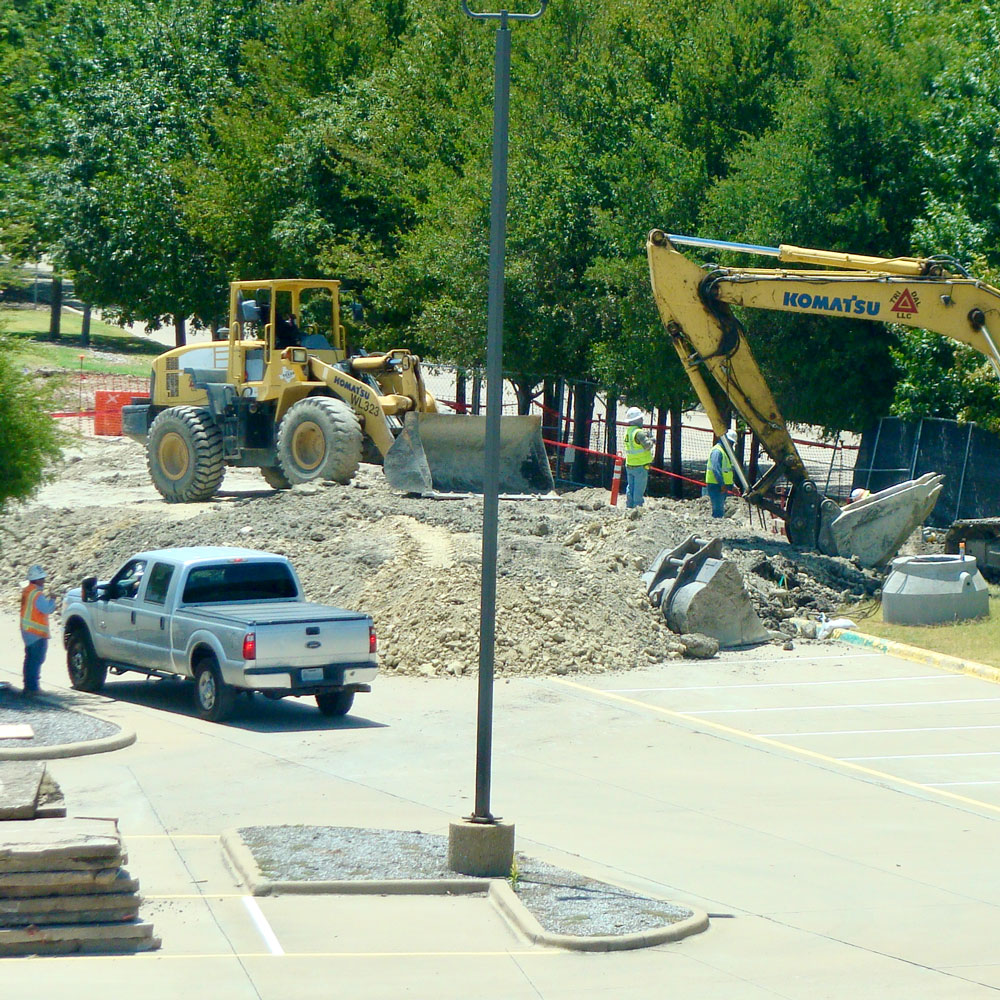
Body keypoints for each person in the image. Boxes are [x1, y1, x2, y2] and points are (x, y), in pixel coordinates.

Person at [20, 565, 56, 695]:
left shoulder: (27, 591)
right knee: (36, 660)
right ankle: (32, 687)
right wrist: (52, 599)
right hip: (35, 632)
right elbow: (47, 609)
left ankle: (29, 686)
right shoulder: (36, 594)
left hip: (27, 631)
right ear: (37, 579)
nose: (44, 581)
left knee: (30, 659)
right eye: (42, 578)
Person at [622, 406, 654, 509]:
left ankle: (629, 506)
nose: (642, 420)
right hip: (640, 466)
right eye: (640, 418)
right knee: (639, 489)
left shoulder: (628, 432)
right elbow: (647, 445)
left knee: (630, 487)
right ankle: (637, 509)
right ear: (636, 420)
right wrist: (652, 439)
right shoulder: (639, 433)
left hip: (630, 464)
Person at [705, 428, 738, 518]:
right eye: (731, 443)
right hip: (716, 485)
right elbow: (716, 469)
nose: (731, 445)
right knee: (718, 511)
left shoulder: (724, 452)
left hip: (720, 485)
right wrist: (722, 484)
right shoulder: (717, 451)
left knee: (720, 510)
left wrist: (732, 485)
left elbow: (726, 472)